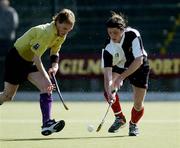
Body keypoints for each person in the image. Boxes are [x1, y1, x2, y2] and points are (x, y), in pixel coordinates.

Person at [0, 8, 75, 136]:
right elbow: (37, 58)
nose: (65, 32)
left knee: (46, 87)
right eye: (64, 29)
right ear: (57, 22)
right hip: (16, 58)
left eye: (68, 29)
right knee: (7, 96)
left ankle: (47, 123)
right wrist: (47, 77)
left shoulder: (61, 34)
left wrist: (55, 66)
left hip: (29, 61)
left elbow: (55, 51)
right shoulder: (45, 33)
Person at [101, 11, 150, 136]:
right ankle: (119, 118)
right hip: (120, 65)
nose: (112, 35)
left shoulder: (133, 35)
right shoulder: (108, 46)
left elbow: (138, 60)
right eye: (110, 32)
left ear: (122, 30)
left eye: (115, 32)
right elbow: (107, 73)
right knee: (109, 89)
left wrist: (120, 78)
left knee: (138, 105)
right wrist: (109, 90)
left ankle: (133, 124)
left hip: (138, 66)